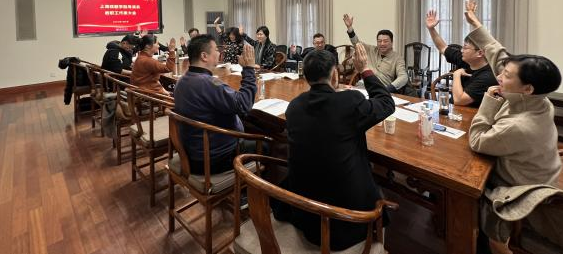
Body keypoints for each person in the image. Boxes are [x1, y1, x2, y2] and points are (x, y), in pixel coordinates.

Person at [273, 44, 395, 250]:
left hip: (304, 212)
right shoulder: (350, 101)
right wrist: (365, 70)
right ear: (335, 75)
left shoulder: (294, 107)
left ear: (306, 76)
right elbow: (386, 103)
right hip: (345, 222)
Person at [464, 0, 562, 254]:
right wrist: (475, 23)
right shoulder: (538, 98)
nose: (499, 76)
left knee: (470, 190)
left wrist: (488, 101)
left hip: (521, 188)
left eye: (506, 76)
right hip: (543, 171)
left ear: (527, 88)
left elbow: (477, 140)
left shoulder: (521, 125)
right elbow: (499, 55)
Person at [173, 34, 257, 174]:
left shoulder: (182, 80)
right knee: (267, 144)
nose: (219, 52)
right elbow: (244, 105)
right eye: (216, 50)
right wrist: (249, 68)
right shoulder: (207, 83)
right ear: (204, 56)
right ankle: (252, 186)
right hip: (215, 159)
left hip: (193, 153)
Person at [425, 9, 498, 107]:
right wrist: (431, 29)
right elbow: (443, 48)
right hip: (454, 110)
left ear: (480, 53)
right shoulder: (466, 59)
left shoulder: (487, 76)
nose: (461, 50)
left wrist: (456, 74)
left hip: (471, 114)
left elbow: (459, 100)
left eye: (465, 48)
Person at [342, 14, 407, 92]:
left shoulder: (397, 58)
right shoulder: (371, 49)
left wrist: (388, 89)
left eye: (385, 41)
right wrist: (350, 28)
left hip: (381, 89)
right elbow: (356, 43)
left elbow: (403, 77)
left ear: (392, 42)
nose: (382, 44)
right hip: (363, 85)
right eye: (379, 41)